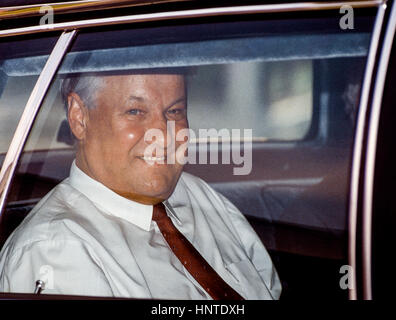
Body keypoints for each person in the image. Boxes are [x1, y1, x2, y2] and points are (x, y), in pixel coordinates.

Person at [0, 71, 281, 299]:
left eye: (174, 111)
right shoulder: (57, 250)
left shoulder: (199, 195)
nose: (162, 134)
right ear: (79, 117)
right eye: (135, 111)